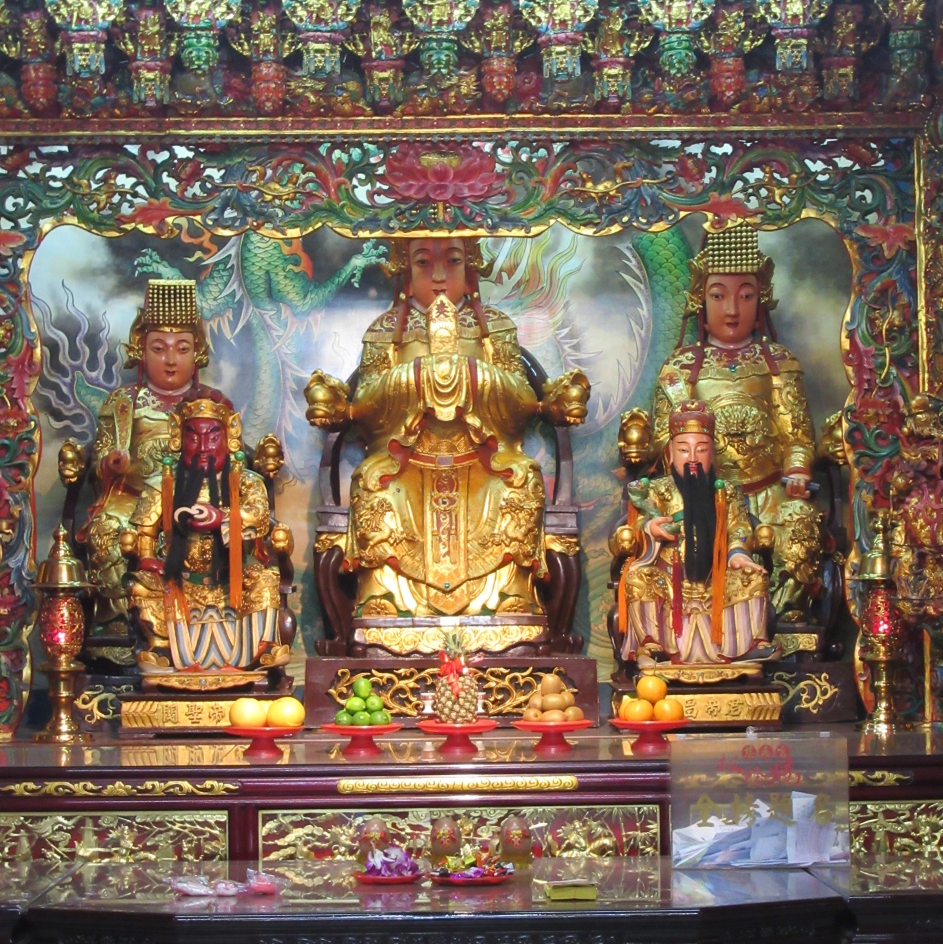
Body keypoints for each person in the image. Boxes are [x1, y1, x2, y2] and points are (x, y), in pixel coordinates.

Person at [304, 236, 590, 654]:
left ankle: (508, 599)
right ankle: (386, 601)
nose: (438, 276)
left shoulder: (495, 328)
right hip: (403, 462)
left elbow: (520, 399)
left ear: (470, 266)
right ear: (405, 269)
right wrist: (420, 375)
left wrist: (469, 375)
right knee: (375, 489)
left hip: (485, 460)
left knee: (519, 484)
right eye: (424, 263)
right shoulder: (385, 332)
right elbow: (365, 403)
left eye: (452, 261)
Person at [649, 222, 820, 618]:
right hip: (704, 491)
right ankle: (698, 615)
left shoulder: (779, 363)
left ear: (761, 299)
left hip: (770, 490)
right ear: (700, 298)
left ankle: (783, 615)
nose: (731, 309)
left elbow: (797, 435)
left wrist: (797, 469)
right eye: (718, 295)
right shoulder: (681, 367)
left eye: (745, 296)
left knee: (800, 520)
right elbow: (665, 438)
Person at [72, 278, 209, 649]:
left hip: (194, 496)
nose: (170, 359)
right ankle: (119, 626)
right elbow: (101, 455)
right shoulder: (123, 402)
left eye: (182, 349)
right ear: (141, 350)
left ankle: (199, 625)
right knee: (106, 530)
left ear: (197, 352)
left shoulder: (211, 403)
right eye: (158, 348)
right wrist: (111, 463)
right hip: (130, 497)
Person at [125, 388, 286, 679]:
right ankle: (162, 649)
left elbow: (260, 518)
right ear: (178, 435)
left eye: (212, 437)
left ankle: (259, 649)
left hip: (232, 582)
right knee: (140, 586)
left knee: (266, 579)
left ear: (229, 435)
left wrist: (222, 518)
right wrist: (148, 558)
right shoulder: (163, 482)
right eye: (192, 437)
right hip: (181, 582)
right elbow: (143, 532)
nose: (202, 447)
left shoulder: (248, 482)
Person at [614, 401, 774, 666]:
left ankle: (750, 645)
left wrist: (738, 554)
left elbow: (740, 528)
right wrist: (650, 530)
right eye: (683, 449)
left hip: (716, 579)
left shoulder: (726, 492)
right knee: (637, 578)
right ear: (670, 454)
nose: (692, 457)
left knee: (753, 576)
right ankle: (652, 645)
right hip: (669, 578)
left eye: (701, 449)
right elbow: (631, 532)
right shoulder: (655, 491)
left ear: (712, 454)